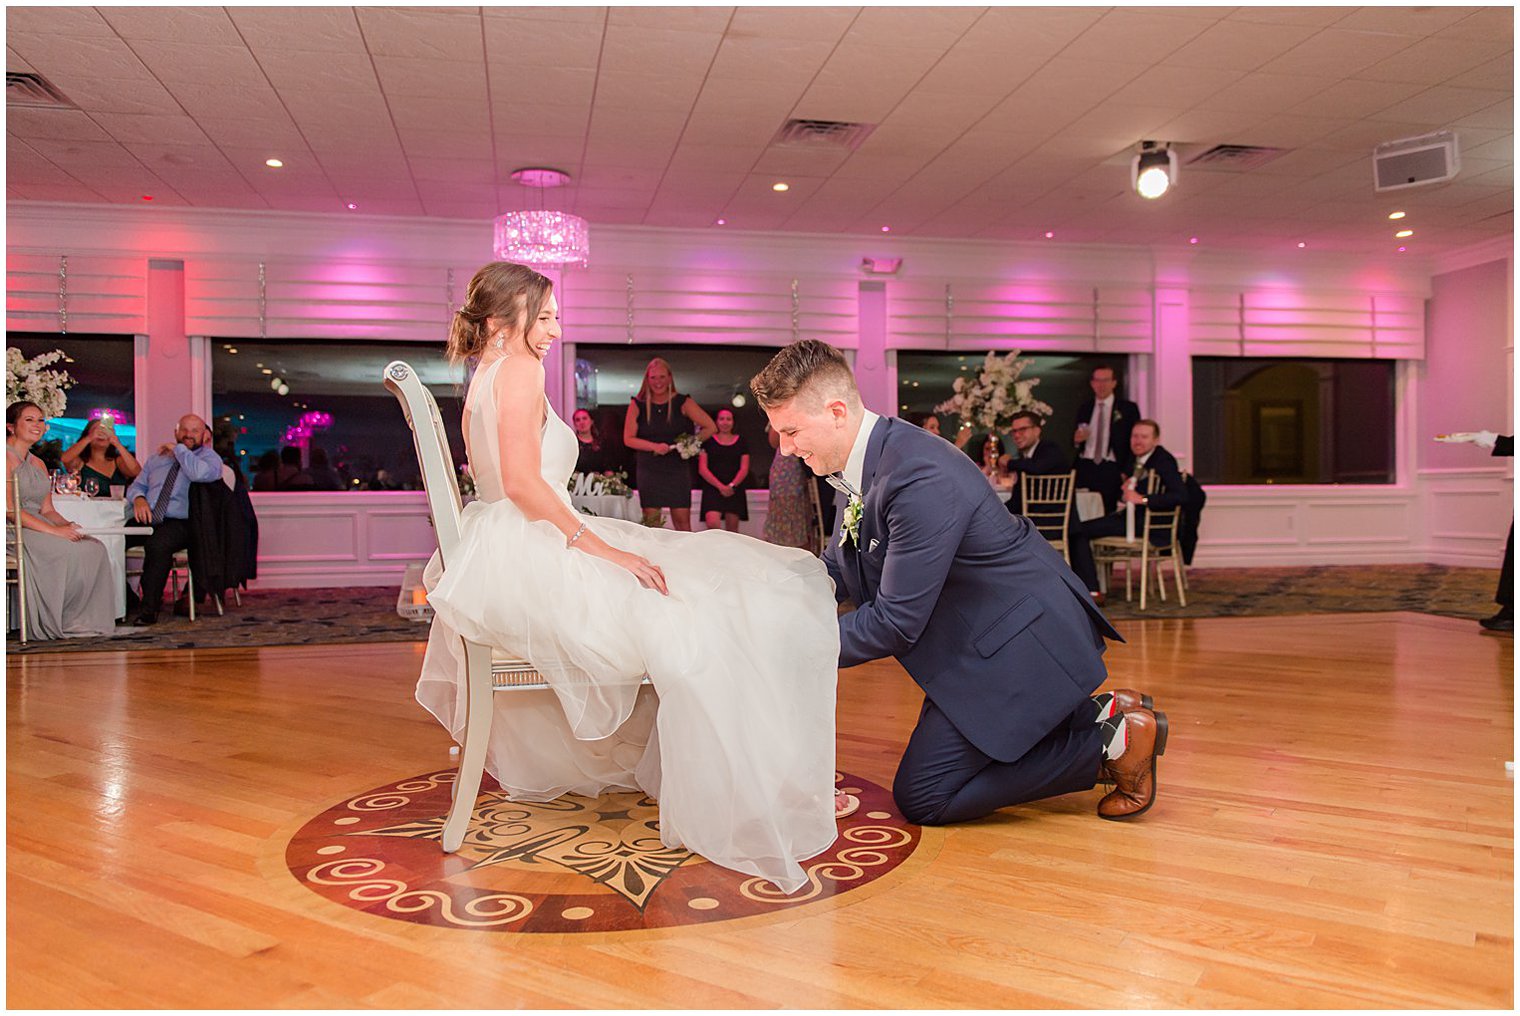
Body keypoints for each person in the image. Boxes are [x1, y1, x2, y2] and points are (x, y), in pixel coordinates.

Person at [415, 261, 847, 895]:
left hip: (508, 548)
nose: (557, 326)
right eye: (547, 314)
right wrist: (602, 550)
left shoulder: (484, 373)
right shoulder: (521, 369)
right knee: (706, 607)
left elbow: (504, 486)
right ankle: (745, 787)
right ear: (509, 317)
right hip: (535, 552)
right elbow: (521, 484)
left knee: (707, 580)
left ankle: (738, 773)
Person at [752, 340, 1167, 825]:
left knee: (926, 796)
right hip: (980, 639)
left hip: (1018, 645)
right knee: (949, 772)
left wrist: (790, 647)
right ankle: (1100, 712)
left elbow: (895, 622)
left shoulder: (916, 475)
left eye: (792, 430)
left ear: (837, 412)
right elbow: (841, 567)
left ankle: (1113, 745)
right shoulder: (865, 461)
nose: (785, 447)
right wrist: (771, 599)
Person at [5, 401, 115, 638]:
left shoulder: (39, 463)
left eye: (41, 420)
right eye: (29, 419)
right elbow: (10, 510)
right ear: (11, 426)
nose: (37, 425)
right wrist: (54, 533)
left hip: (38, 523)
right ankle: (48, 619)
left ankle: (76, 620)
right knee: (62, 549)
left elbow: (47, 509)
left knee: (93, 548)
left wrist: (66, 525)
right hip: (13, 529)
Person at [1067, 419, 1185, 604]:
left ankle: (1091, 590)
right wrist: (1125, 494)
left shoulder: (1163, 461)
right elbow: (1127, 494)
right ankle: (1090, 587)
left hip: (1149, 524)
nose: (1138, 441)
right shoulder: (1133, 460)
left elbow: (1180, 496)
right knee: (1078, 529)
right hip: (1131, 519)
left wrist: (1143, 499)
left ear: (1155, 440)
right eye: (1135, 436)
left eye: (1144, 437)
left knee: (1077, 531)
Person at [123, 414, 225, 625]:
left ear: (204, 435)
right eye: (184, 430)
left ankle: (149, 609)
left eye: (195, 431)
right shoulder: (156, 459)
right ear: (176, 432)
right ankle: (124, 598)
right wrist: (139, 499)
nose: (188, 434)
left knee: (158, 545)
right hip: (148, 516)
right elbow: (137, 486)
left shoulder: (209, 459)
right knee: (111, 541)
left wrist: (179, 450)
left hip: (183, 523)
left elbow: (198, 474)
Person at [622, 358, 715, 531]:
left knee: (682, 522)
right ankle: (654, 558)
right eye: (654, 378)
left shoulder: (683, 402)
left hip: (677, 469)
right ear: (647, 379)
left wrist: (689, 444)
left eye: (662, 377)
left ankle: (685, 557)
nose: (658, 382)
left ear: (670, 378)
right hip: (649, 470)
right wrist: (654, 447)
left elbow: (710, 427)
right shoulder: (637, 405)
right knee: (652, 524)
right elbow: (628, 439)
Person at [1073, 364, 1141, 514]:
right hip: (1086, 465)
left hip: (1111, 467)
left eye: (1105, 380)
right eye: (1097, 381)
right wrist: (1078, 441)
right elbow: (1076, 440)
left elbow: (1134, 442)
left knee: (1107, 510)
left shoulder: (1127, 409)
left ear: (1114, 383)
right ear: (1092, 383)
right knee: (1081, 509)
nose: (1101, 385)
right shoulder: (1085, 407)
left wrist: (1126, 470)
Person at [1001, 411, 1071, 516]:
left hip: (1052, 520)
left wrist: (1008, 463)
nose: (1017, 435)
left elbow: (1036, 467)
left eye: (1023, 429)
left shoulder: (1050, 449)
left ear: (1037, 431)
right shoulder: (1024, 459)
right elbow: (1017, 500)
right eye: (1014, 431)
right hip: (1029, 519)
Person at [762, 422, 815, 550]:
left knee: (801, 515)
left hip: (807, 464)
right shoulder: (779, 414)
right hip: (785, 468)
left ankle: (805, 562)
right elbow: (774, 442)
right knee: (782, 508)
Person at [697, 408, 750, 532]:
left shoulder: (742, 442)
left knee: (732, 530)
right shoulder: (708, 441)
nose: (725, 422)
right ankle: (714, 551)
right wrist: (720, 486)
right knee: (712, 524)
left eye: (728, 419)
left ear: (733, 422)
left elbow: (744, 468)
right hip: (712, 487)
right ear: (716, 421)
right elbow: (702, 468)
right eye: (721, 419)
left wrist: (731, 486)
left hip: (734, 489)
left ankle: (730, 552)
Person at [60, 416, 141, 496]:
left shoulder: (118, 461)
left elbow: (136, 471)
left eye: (106, 430)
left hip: (118, 508)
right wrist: (90, 437)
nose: (101, 433)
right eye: (96, 429)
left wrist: (117, 444)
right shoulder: (80, 462)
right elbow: (65, 459)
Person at [571, 408, 617, 475]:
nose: (582, 422)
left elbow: (608, 467)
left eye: (584, 418)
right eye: (578, 420)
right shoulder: (572, 444)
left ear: (591, 421)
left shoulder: (602, 443)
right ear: (575, 424)